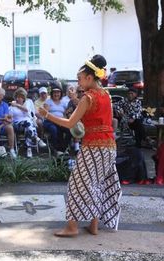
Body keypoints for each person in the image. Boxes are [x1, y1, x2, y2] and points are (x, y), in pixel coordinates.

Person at [38, 54, 122, 237]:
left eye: (80, 79)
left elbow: (69, 123)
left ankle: (72, 227)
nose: (79, 82)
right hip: (109, 146)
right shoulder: (106, 94)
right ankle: (93, 225)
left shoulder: (88, 97)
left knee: (76, 185)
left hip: (93, 147)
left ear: (90, 78)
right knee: (97, 184)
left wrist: (46, 115)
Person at [9, 88, 40, 158]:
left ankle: (29, 148)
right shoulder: (11, 107)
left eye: (20, 97)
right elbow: (10, 117)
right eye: (17, 97)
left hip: (27, 125)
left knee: (28, 128)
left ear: (24, 98)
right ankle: (36, 137)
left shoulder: (27, 103)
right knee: (28, 123)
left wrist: (17, 105)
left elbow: (26, 110)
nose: (18, 98)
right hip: (17, 124)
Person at [43, 86, 70, 156]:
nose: (56, 94)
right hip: (49, 121)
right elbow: (46, 114)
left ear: (61, 93)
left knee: (69, 130)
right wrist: (56, 121)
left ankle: (64, 148)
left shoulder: (63, 102)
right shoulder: (48, 102)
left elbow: (66, 112)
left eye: (58, 92)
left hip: (60, 121)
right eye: (54, 92)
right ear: (52, 93)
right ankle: (56, 149)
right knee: (54, 129)